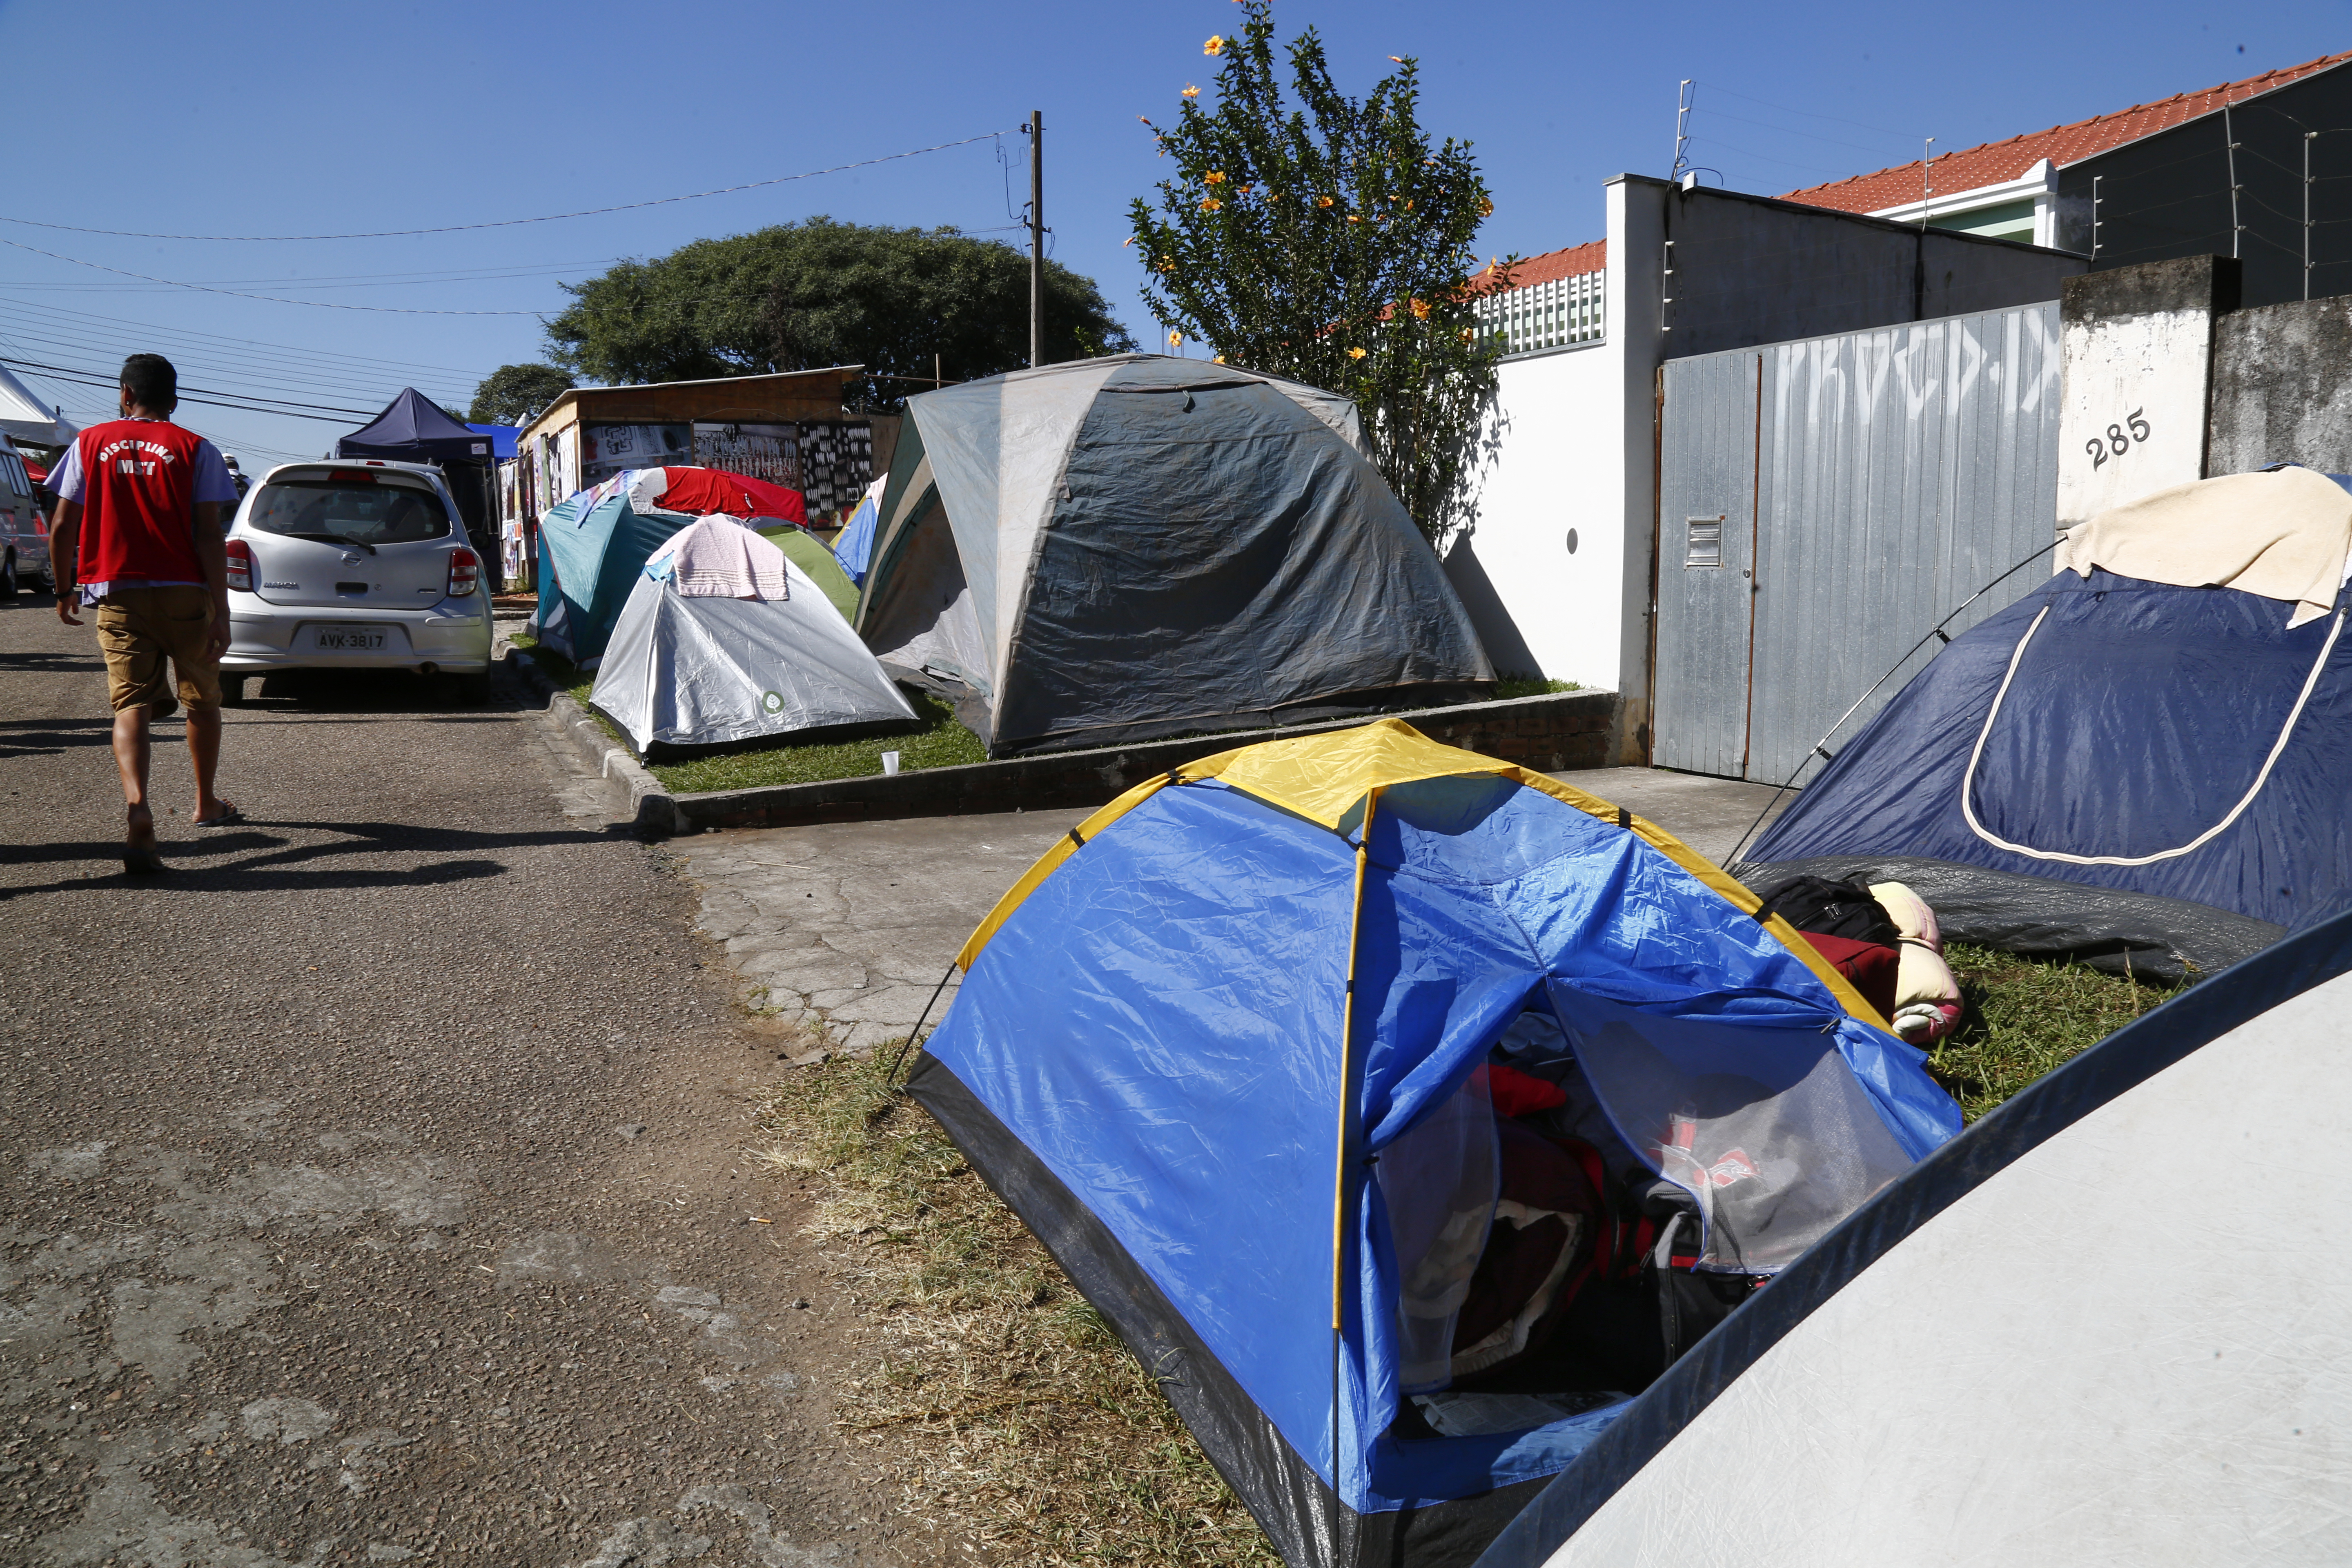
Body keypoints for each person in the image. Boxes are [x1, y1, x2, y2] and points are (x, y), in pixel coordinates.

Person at [47, 353, 243, 873]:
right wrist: (220, 610)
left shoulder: (89, 443)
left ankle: (138, 808)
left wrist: (65, 587)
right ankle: (205, 803)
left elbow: (64, 523)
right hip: (184, 590)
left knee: (129, 705)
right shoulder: (197, 449)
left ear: (125, 395)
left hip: (116, 589)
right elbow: (209, 535)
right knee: (202, 697)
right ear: (174, 402)